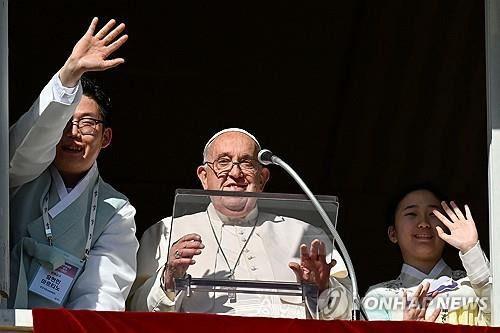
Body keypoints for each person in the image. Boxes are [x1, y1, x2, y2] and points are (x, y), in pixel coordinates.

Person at [127, 128, 352, 319]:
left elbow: (350, 314)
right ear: (204, 177)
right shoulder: (166, 232)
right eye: (223, 162)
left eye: (246, 163)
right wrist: (168, 280)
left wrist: (323, 289)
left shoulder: (305, 235)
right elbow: (133, 313)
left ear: (262, 178)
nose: (235, 173)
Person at [9, 17, 138, 310]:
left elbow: (101, 293)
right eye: (65, 123)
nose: (74, 132)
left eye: (87, 123)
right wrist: (69, 76)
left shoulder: (116, 210)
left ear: (106, 138)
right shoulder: (21, 175)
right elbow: (28, 145)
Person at [363, 186, 491, 325]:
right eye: (412, 214)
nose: (424, 223)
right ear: (393, 233)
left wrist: (471, 249)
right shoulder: (378, 297)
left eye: (432, 214)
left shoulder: (473, 286)